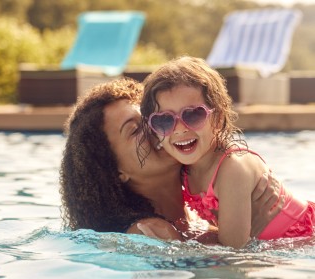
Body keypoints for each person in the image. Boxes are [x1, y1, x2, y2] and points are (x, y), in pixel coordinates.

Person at [59, 77, 283, 243]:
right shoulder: (150, 232)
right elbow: (233, 271)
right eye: (135, 130)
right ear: (115, 171)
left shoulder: (201, 206)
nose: (161, 129)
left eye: (156, 117)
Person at [140, 56, 314, 248]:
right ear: (153, 128)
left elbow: (232, 254)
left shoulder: (233, 168)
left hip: (305, 237)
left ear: (218, 116)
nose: (180, 129)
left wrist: (179, 243)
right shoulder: (184, 168)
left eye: (193, 114)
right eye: (164, 121)